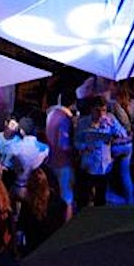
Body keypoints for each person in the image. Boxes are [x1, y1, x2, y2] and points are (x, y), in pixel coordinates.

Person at [74, 96, 129, 208]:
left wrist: (112, 125)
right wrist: (85, 147)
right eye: (97, 110)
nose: (101, 114)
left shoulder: (110, 120)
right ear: (91, 109)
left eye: (103, 110)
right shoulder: (83, 122)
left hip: (104, 166)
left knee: (101, 199)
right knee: (83, 199)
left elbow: (124, 134)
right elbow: (76, 142)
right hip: (88, 166)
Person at [45, 90, 77, 219]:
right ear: (73, 103)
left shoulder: (51, 114)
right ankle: (67, 227)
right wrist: (75, 151)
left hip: (50, 161)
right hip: (63, 163)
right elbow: (64, 145)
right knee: (67, 198)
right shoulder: (65, 118)